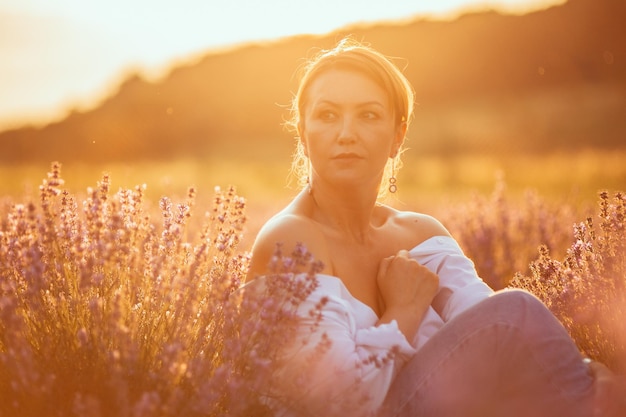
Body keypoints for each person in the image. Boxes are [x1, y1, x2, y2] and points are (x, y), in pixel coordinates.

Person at [242, 38, 625, 417]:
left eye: (369, 115)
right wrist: (404, 310)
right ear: (302, 134)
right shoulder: (291, 238)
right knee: (518, 312)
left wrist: (584, 370)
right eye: (327, 115)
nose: (346, 133)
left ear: (398, 137)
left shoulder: (422, 236)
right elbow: (336, 402)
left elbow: (497, 337)